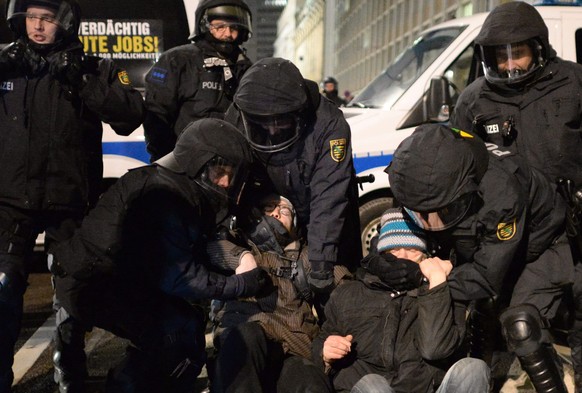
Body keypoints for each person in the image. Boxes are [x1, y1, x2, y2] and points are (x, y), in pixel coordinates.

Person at [49, 118, 268, 393]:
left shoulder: (178, 188)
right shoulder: (164, 195)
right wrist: (240, 285)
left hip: (112, 278)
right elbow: (180, 277)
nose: (226, 182)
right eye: (220, 172)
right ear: (200, 164)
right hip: (91, 282)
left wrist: (235, 256)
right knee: (177, 337)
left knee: (183, 328)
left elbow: (192, 249)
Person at [0, 0, 145, 391]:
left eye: (46, 19)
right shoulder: (8, 63)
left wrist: (81, 81)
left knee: (72, 294)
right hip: (11, 201)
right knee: (4, 287)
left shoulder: (94, 67)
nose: (37, 26)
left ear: (64, 23)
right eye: (31, 18)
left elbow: (130, 115)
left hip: (70, 202)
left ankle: (71, 373)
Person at [448, 2, 582, 390]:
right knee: (516, 323)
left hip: (574, 229)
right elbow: (459, 169)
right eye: (499, 56)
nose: (509, 65)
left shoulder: (574, 85)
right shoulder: (474, 100)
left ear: (538, 47)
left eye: (517, 53)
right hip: (520, 236)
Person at [382, 123, 572, 393]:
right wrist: (387, 262)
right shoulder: (420, 166)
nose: (425, 219)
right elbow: (408, 220)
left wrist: (425, 278)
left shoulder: (502, 193)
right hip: (483, 241)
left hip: (542, 245)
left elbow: (486, 276)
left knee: (519, 325)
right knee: (476, 315)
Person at [226, 57, 362, 302]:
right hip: (275, 218)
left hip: (327, 216)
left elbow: (329, 196)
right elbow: (229, 183)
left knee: (336, 289)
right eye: (263, 124)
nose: (273, 131)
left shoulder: (328, 124)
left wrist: (321, 264)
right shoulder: (239, 116)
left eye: (281, 122)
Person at [312, 207, 490, 393]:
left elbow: (435, 348)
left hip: (425, 387)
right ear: (381, 252)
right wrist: (324, 352)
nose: (403, 257)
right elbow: (323, 339)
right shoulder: (349, 292)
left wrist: (436, 282)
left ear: (425, 254)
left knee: (473, 369)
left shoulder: (444, 289)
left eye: (412, 249)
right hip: (370, 388)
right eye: (395, 249)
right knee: (373, 385)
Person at [210, 193, 351, 393]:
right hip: (247, 347)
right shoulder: (238, 241)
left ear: (294, 224)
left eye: (284, 210)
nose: (276, 212)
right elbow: (208, 250)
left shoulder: (307, 256)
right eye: (269, 207)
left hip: (293, 351)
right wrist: (240, 257)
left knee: (312, 382)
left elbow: (347, 292)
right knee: (246, 336)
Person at [143, 0, 253, 162]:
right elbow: (156, 116)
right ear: (204, 25)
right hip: (184, 162)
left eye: (234, 27)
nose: (228, 33)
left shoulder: (245, 68)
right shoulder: (177, 60)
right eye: (220, 26)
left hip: (230, 165)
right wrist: (166, 161)